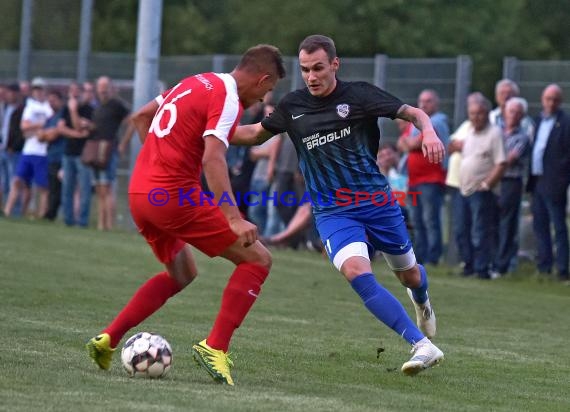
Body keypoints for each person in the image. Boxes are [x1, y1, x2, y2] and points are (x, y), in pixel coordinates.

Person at [232, 35, 444, 376]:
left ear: (334, 64)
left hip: (377, 202)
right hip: (333, 211)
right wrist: (206, 129)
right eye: (304, 70)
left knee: (410, 274)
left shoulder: (359, 95)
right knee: (357, 272)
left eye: (318, 68)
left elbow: (413, 113)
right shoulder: (293, 105)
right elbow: (255, 133)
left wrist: (429, 133)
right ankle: (421, 344)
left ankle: (422, 301)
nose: (312, 76)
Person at [86, 44, 286, 386]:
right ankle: (215, 347)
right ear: (262, 79)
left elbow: (141, 117)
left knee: (182, 273)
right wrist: (234, 217)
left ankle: (108, 338)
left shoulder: (195, 82)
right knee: (258, 260)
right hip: (174, 196)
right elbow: (213, 158)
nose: (260, 100)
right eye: (266, 91)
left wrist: (160, 162)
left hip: (141, 194)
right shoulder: (229, 99)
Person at [457, 96, 506, 279]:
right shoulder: (469, 132)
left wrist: (487, 185)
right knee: (461, 230)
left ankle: (482, 268)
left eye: (479, 113)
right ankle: (468, 265)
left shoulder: (495, 133)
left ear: (487, 114)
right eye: (472, 114)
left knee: (480, 231)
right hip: (464, 189)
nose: (476, 117)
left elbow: (501, 163)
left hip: (482, 192)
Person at [398, 89, 449, 265]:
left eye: (428, 101)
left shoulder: (437, 121)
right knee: (417, 220)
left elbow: (413, 143)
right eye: (421, 101)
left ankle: (433, 258)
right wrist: (409, 144)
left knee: (430, 220)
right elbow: (402, 143)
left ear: (436, 103)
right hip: (414, 180)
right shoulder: (417, 122)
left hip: (431, 180)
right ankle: (420, 257)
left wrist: (410, 144)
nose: (423, 104)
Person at [527, 84, 570, 281]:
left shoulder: (566, 122)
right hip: (537, 181)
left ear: (559, 102)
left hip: (555, 183)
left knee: (558, 226)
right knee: (540, 225)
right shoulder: (537, 121)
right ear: (543, 100)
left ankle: (562, 270)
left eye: (555, 99)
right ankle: (544, 266)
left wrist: (563, 181)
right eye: (547, 99)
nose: (551, 103)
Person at [494, 97, 530, 275]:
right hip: (494, 181)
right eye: (511, 111)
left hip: (510, 182)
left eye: (517, 112)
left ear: (522, 115)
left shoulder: (522, 136)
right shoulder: (496, 131)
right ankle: (489, 262)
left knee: (507, 225)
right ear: (504, 112)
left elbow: (508, 160)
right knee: (491, 223)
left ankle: (502, 266)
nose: (513, 115)